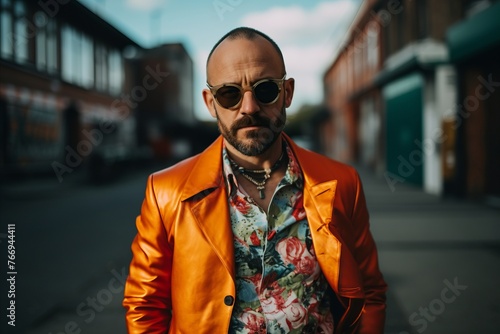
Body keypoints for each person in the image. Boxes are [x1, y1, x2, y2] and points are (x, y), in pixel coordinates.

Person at [123, 27, 387, 334]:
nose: (249, 108)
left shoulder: (341, 183)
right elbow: (145, 304)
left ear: (287, 92)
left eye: (264, 90)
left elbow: (369, 292)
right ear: (211, 103)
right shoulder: (166, 192)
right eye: (230, 94)